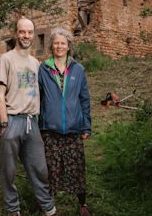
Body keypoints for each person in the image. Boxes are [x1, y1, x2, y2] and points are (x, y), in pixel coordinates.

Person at [0, 17, 56, 216]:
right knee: (9, 171)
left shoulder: (35, 63)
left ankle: (48, 208)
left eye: (30, 32)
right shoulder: (5, 59)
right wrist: (4, 123)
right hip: (11, 120)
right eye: (22, 32)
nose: (27, 35)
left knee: (40, 169)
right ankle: (13, 210)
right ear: (16, 33)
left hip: (31, 122)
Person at [38, 27, 91, 216]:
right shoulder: (43, 69)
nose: (59, 46)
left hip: (73, 127)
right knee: (50, 167)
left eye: (63, 43)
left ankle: (82, 203)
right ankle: (49, 204)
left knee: (76, 166)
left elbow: (84, 99)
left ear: (69, 46)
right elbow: (37, 97)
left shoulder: (78, 69)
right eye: (56, 43)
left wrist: (86, 126)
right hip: (49, 129)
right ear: (51, 46)